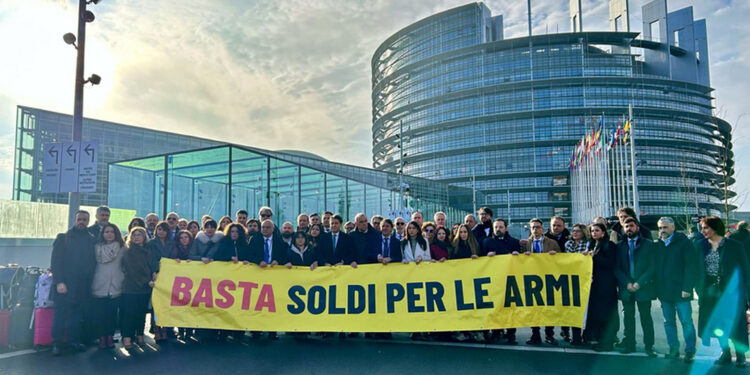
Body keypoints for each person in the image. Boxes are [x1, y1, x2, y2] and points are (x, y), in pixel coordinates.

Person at [695, 216, 750, 368]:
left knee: (736, 324)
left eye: (706, 227)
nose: (703, 231)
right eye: (702, 228)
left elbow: (745, 270)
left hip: (731, 292)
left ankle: (740, 356)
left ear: (715, 228)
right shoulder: (700, 245)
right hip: (709, 291)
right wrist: (699, 289)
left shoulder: (734, 245)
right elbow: (696, 269)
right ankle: (725, 352)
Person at [50, 210, 96, 356]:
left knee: (76, 316)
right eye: (79, 219)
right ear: (74, 220)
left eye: (84, 220)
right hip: (64, 285)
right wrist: (59, 282)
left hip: (82, 287)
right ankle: (56, 343)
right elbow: (55, 262)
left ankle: (73, 341)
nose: (82, 222)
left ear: (88, 221)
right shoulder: (63, 238)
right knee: (60, 315)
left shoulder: (91, 239)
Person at [654, 217, 698, 362]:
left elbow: (691, 267)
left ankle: (690, 350)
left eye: (665, 227)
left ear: (673, 228)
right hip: (664, 292)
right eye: (660, 228)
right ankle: (673, 349)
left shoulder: (684, 243)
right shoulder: (658, 245)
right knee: (669, 322)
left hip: (681, 291)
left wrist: (687, 287)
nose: (662, 231)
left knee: (686, 321)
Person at [614, 217, 657, 357]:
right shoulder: (619, 246)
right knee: (628, 317)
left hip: (643, 287)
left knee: (646, 317)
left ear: (637, 228)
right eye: (626, 226)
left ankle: (649, 346)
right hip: (627, 287)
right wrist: (627, 283)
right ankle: (630, 344)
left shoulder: (649, 245)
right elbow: (617, 268)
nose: (629, 229)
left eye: (631, 226)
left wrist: (640, 282)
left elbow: (652, 267)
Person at [522, 218, 561, 346]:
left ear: (542, 229)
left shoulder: (552, 243)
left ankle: (550, 335)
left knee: (548, 308)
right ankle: (535, 335)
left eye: (538, 227)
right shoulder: (525, 244)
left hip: (548, 279)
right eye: (533, 227)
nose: (535, 230)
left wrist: (555, 255)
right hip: (532, 280)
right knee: (534, 308)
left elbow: (562, 260)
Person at [248, 220, 288, 340]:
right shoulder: (255, 239)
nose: (264, 229)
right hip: (258, 275)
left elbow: (284, 255)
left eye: (267, 227)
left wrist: (278, 261)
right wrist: (259, 261)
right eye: (263, 227)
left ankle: (272, 331)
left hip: (273, 276)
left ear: (272, 229)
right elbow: (249, 255)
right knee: (257, 304)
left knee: (272, 305)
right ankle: (256, 330)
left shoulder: (279, 240)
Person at [585, 222, 619, 352]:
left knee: (606, 314)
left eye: (597, 230)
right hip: (595, 286)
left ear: (603, 232)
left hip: (606, 286)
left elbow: (610, 263)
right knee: (597, 314)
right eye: (592, 231)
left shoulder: (609, 245)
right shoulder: (591, 245)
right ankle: (599, 340)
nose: (594, 233)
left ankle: (607, 342)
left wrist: (594, 258)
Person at [91, 223, 125, 349]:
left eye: (112, 232)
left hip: (116, 285)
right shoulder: (95, 248)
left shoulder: (122, 248)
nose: (109, 234)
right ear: (102, 234)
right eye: (106, 232)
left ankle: (110, 337)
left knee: (112, 314)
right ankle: (101, 338)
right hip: (99, 284)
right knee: (100, 314)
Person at [120, 227, 153, 350]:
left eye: (139, 234)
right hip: (130, 287)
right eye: (134, 235)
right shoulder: (128, 252)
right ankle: (127, 338)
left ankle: (140, 335)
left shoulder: (148, 251)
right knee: (129, 314)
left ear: (144, 237)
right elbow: (131, 270)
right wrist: (146, 281)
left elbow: (150, 267)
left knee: (141, 313)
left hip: (144, 289)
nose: (137, 237)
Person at [561, 223, 591, 346]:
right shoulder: (568, 244)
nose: (575, 233)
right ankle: (575, 336)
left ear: (583, 232)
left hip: (585, 280)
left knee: (584, 310)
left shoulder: (589, 244)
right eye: (573, 231)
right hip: (571, 280)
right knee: (573, 309)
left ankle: (585, 336)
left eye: (578, 231)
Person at [148, 221, 172, 342]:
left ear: (167, 232)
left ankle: (165, 329)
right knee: (156, 303)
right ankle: (156, 329)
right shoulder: (152, 243)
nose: (161, 232)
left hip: (169, 276)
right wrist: (154, 271)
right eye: (159, 229)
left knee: (166, 303)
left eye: (163, 230)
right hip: (156, 274)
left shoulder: (171, 243)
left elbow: (173, 256)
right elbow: (151, 258)